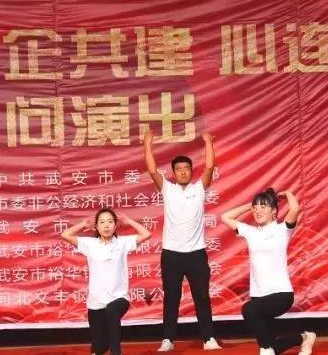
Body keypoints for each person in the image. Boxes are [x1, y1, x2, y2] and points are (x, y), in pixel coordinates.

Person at [142, 130, 221, 351]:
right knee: (172, 298)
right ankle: (168, 339)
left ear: (191, 171)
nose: (183, 171)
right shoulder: (168, 189)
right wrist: (147, 145)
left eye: (186, 168)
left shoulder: (199, 189)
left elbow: (209, 168)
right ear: (174, 173)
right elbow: (152, 170)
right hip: (172, 254)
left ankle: (208, 338)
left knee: (202, 297)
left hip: (196, 253)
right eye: (179, 169)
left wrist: (208, 143)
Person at [220, 188, 316, 355]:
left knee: (249, 311)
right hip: (258, 295)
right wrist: (250, 206)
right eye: (255, 208)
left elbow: (294, 208)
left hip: (281, 294)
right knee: (273, 346)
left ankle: (266, 349)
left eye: (263, 207)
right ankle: (305, 337)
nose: (258, 210)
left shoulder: (282, 230)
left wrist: (287, 194)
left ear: (274, 211)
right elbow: (225, 217)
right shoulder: (250, 232)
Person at [61, 209, 152, 355]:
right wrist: (83, 224)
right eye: (102, 222)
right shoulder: (90, 244)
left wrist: (129, 221)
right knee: (99, 348)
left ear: (115, 226)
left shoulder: (122, 242)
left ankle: (116, 352)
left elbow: (146, 234)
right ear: (96, 227)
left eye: (110, 222)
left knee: (111, 310)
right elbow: (65, 235)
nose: (106, 226)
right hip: (96, 302)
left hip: (119, 298)